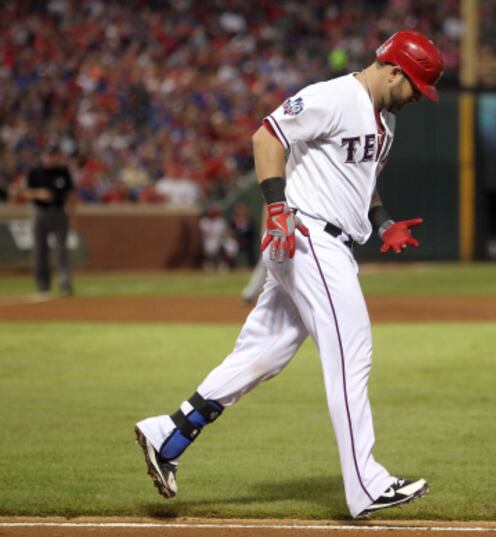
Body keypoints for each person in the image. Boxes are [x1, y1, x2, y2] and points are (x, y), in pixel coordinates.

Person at [135, 30, 443, 518]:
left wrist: (383, 222)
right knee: (351, 349)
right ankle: (365, 483)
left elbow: (361, 182)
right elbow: (267, 135)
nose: (418, 99)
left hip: (326, 241)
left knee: (264, 353)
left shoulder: (384, 117)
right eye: (416, 88)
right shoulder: (334, 96)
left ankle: (168, 434)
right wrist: (276, 205)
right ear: (395, 71)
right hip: (307, 236)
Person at [21, 143, 77, 296]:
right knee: (40, 250)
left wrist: (73, 217)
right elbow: (25, 192)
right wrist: (38, 193)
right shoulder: (35, 172)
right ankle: (42, 285)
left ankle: (64, 284)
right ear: (43, 156)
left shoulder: (63, 172)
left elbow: (71, 196)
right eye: (48, 155)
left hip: (59, 212)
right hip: (40, 213)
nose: (51, 158)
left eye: (53, 155)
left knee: (61, 250)